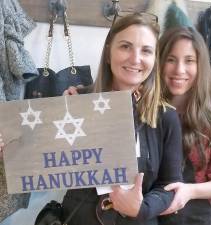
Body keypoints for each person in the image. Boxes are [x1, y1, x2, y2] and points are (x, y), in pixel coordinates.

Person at [61, 13, 183, 225]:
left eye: (146, 50)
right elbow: (46, 161)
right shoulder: (76, 101)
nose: (135, 59)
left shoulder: (166, 117)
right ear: (109, 53)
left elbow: (169, 185)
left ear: (154, 60)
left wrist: (141, 208)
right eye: (125, 46)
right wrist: (15, 147)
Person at [157, 26, 211, 225]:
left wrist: (190, 191)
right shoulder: (142, 108)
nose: (179, 69)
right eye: (170, 59)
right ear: (158, 63)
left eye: (189, 61)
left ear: (200, 66)